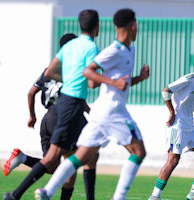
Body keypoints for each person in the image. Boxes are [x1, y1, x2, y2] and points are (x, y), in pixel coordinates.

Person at [34, 8, 150, 200]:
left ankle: (47, 191)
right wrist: (113, 82)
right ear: (132, 26)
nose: (137, 29)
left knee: (80, 157)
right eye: (136, 25)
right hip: (113, 111)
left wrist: (139, 78)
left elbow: (123, 82)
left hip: (100, 114)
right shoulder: (113, 50)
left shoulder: (131, 49)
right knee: (139, 152)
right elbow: (88, 72)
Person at [3, 9, 100, 200]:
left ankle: (23, 161)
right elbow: (86, 86)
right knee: (86, 155)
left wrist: (32, 115)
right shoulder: (81, 58)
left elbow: (32, 91)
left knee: (55, 164)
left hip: (48, 118)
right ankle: (16, 195)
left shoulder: (54, 66)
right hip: (67, 114)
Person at [148, 53, 194, 200]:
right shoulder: (188, 79)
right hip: (177, 125)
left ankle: (193, 193)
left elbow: (193, 102)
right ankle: (154, 196)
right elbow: (166, 91)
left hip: (190, 126)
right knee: (173, 160)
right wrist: (172, 112)